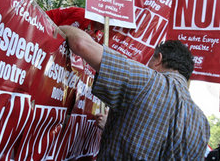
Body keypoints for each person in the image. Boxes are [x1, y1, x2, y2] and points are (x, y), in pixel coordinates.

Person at [59, 25, 210, 160]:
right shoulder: (203, 124)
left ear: (158, 59)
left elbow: (80, 43)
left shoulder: (147, 81)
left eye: (150, 60)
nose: (147, 65)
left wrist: (52, 26)